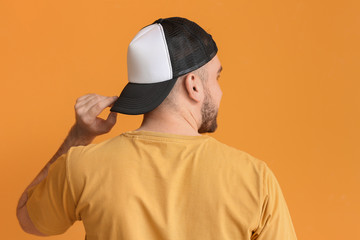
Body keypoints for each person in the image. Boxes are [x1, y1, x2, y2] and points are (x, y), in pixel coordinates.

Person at [17, 17, 297, 239]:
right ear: (194, 85)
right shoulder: (255, 179)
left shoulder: (82, 166)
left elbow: (28, 219)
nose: (221, 91)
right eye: (217, 78)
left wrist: (79, 136)